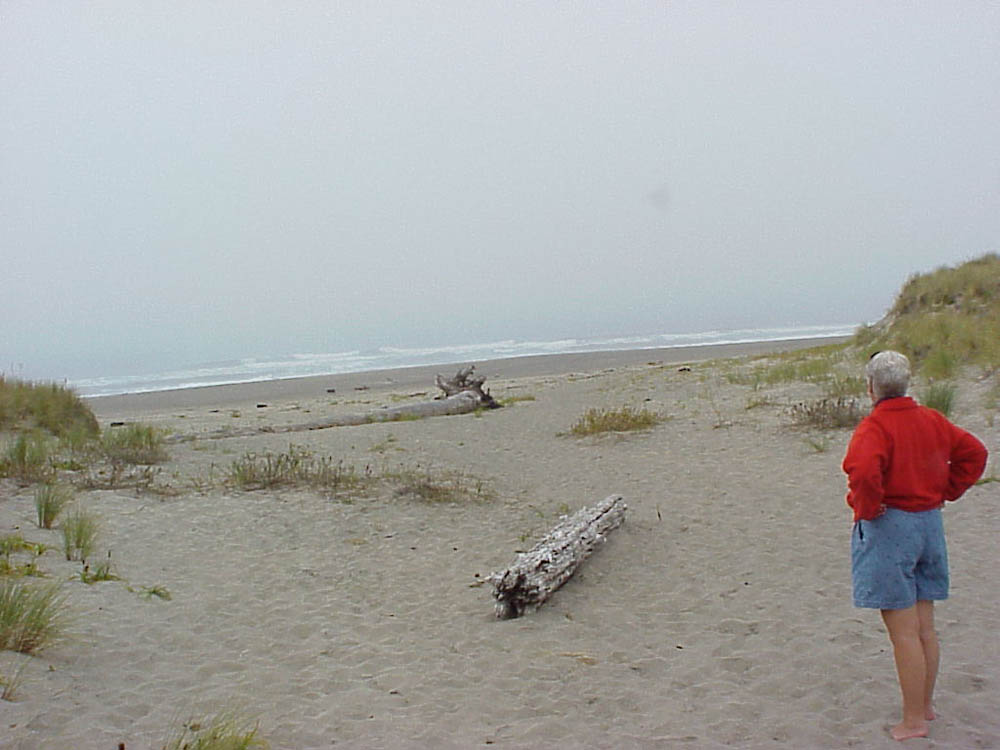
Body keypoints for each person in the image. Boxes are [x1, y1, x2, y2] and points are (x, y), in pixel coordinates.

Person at [842, 350, 988, 741]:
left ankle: (913, 719)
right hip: (928, 525)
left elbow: (863, 471)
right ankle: (923, 706)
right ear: (906, 383)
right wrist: (944, 491)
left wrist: (867, 509)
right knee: (924, 627)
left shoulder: (875, 427)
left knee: (905, 632)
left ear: (871, 388)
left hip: (894, 528)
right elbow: (974, 453)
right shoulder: (931, 420)